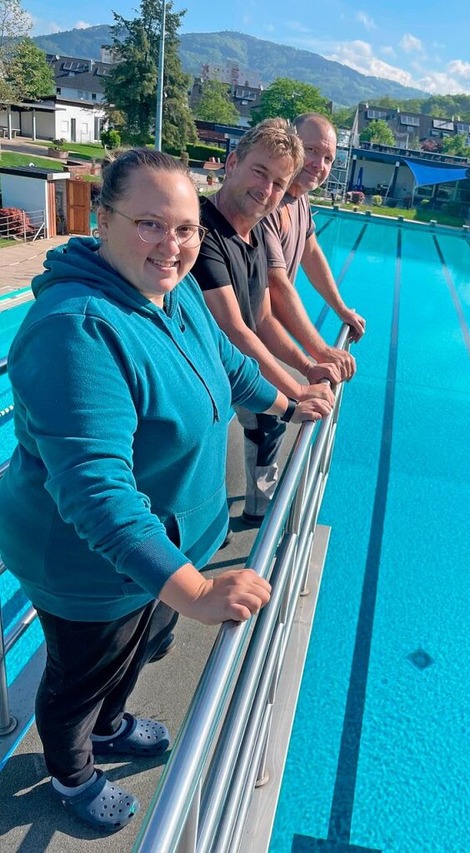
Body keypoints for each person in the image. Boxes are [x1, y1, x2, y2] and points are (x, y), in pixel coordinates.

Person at [0, 148, 330, 834]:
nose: (172, 245)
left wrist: (284, 401)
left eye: (183, 228)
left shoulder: (172, 295)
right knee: (79, 675)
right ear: (102, 218)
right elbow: (97, 494)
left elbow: (229, 365)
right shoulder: (78, 329)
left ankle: (112, 724)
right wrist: (197, 590)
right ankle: (70, 770)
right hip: (87, 564)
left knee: (136, 647)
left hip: (160, 549)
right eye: (149, 224)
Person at [192, 119, 340, 526]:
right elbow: (235, 330)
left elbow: (262, 320)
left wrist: (310, 370)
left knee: (265, 424)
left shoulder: (253, 239)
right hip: (194, 386)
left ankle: (253, 511)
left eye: (278, 182)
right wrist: (295, 395)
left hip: (225, 382)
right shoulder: (200, 232)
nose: (267, 189)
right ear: (232, 162)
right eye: (260, 172)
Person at [262, 113, 366, 382]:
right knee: (266, 420)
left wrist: (341, 308)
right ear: (290, 145)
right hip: (247, 342)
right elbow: (277, 285)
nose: (319, 165)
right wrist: (320, 351)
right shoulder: (267, 202)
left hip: (270, 337)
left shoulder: (299, 197)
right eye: (312, 150)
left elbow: (311, 252)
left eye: (328, 158)